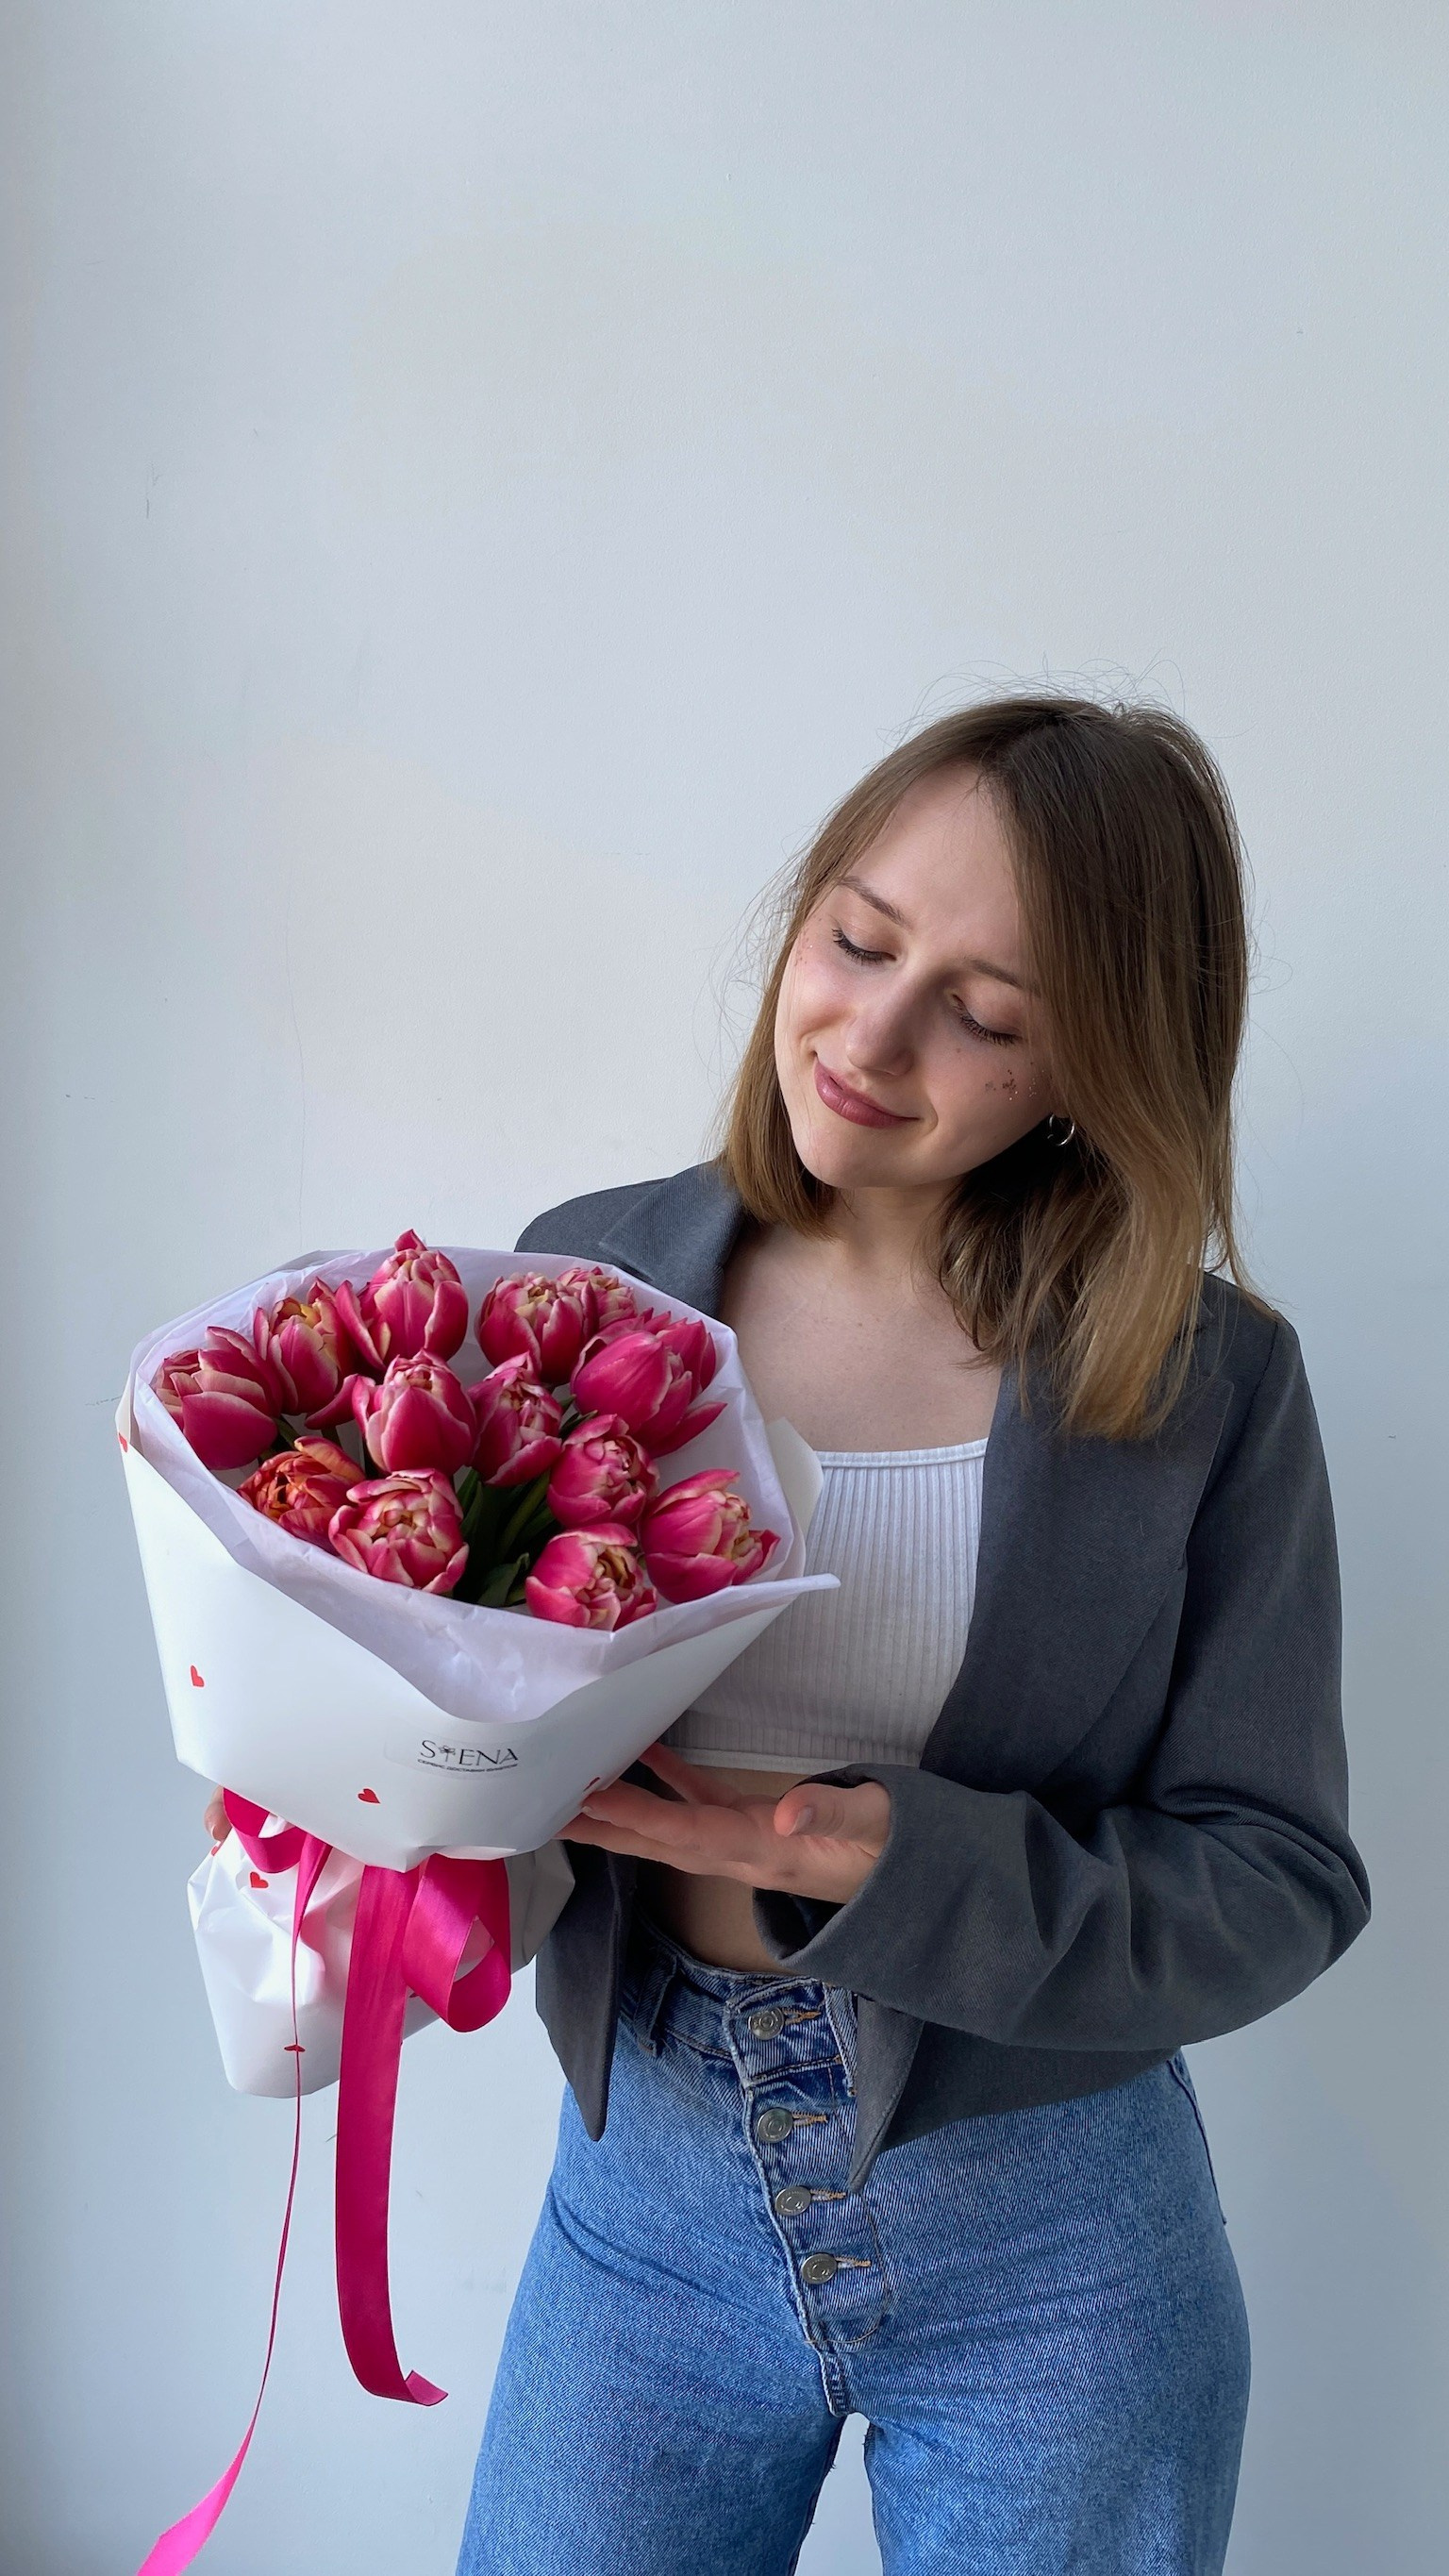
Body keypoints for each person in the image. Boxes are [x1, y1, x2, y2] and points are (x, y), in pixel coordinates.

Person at [449, 694, 1368, 2572]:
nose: (873, 1036)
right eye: (860, 939)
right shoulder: (571, 1286)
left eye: (991, 1012)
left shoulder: (1211, 1388)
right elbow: (473, 1733)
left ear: (1088, 1069)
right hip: (644, 2205)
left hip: (1055, 2246)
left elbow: (1279, 1876)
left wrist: (895, 1864)